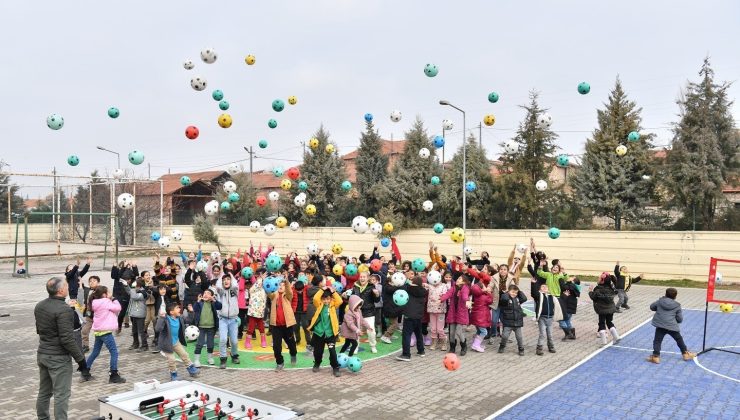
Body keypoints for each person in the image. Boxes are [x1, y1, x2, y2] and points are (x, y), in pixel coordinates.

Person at [35, 277, 90, 420]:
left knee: (44, 392)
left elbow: (39, 330)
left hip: (43, 354)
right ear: (60, 291)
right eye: (66, 286)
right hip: (58, 359)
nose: (67, 288)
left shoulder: (40, 305)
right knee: (61, 394)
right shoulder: (64, 309)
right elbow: (67, 339)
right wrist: (81, 361)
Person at [85, 286, 126, 383]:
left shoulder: (95, 302)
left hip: (98, 331)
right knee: (114, 352)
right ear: (104, 294)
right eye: (108, 292)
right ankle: (114, 375)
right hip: (106, 332)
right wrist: (113, 298)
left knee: (95, 352)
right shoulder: (106, 301)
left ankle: (85, 371)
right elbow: (118, 308)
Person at [647, 288, 696, 363]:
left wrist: (659, 305)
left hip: (660, 325)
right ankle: (685, 354)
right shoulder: (677, 305)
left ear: (665, 294)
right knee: (679, 339)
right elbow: (680, 319)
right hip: (672, 326)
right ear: (675, 296)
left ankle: (656, 357)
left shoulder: (660, 301)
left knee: (657, 341)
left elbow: (652, 307)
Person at [155, 302, 199, 381]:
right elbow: (158, 329)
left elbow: (189, 320)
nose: (180, 309)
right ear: (171, 312)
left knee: (184, 355)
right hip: (167, 344)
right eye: (177, 308)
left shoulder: (180, 318)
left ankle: (191, 369)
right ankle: (174, 375)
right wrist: (161, 318)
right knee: (172, 359)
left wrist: (191, 312)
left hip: (176, 342)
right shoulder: (166, 319)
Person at [308, 287, 342, 377]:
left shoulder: (333, 305)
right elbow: (315, 298)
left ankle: (335, 367)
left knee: (332, 352)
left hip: (330, 333)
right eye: (324, 299)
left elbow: (340, 301)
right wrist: (322, 290)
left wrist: (333, 291)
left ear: (331, 299)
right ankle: (317, 363)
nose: (326, 301)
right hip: (319, 333)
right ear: (321, 300)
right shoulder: (319, 304)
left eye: (328, 299)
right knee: (318, 352)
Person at [396, 276, 429, 361]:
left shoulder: (409, 289)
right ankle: (421, 351)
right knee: (418, 334)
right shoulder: (423, 291)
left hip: (409, 315)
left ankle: (406, 354)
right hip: (418, 316)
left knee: (406, 335)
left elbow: (402, 286)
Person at [269, 278, 298, 371]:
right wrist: (266, 282)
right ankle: (280, 362)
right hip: (276, 326)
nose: (280, 287)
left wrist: (286, 282)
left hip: (287, 325)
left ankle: (293, 354)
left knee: (292, 345)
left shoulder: (287, 295)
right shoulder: (274, 295)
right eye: (279, 285)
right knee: (276, 347)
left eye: (282, 285)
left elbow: (290, 291)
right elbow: (268, 292)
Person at [189, 288, 222, 367]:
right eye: (204, 293)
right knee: (199, 344)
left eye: (208, 293)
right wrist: (198, 301)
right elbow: (195, 308)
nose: (206, 294)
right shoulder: (200, 303)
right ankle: (196, 360)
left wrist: (214, 300)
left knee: (210, 344)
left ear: (212, 296)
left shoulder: (213, 303)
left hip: (211, 327)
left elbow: (220, 306)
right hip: (201, 327)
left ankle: (210, 358)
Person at [440, 274, 471, 355]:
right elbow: (448, 294)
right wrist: (441, 299)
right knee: (452, 333)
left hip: (461, 313)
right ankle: (452, 347)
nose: (457, 279)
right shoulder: (453, 287)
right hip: (453, 313)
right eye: (458, 278)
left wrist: (467, 300)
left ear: (464, 281)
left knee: (459, 331)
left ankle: (464, 346)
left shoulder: (465, 288)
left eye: (460, 278)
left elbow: (465, 296)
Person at [531, 280, 563, 356]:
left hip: (550, 318)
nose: (545, 287)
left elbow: (559, 302)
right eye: (543, 286)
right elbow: (533, 293)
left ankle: (551, 346)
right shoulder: (539, 296)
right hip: (542, 318)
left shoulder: (552, 297)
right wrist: (533, 284)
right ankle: (539, 349)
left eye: (546, 287)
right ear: (540, 289)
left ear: (548, 289)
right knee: (542, 334)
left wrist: (564, 295)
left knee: (550, 334)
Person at [351, 271, 380, 353]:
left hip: (369, 313)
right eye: (361, 277)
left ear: (368, 278)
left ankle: (373, 346)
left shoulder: (372, 287)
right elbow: (352, 298)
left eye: (364, 277)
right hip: (357, 313)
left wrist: (377, 294)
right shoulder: (355, 286)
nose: (362, 278)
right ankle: (355, 347)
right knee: (356, 331)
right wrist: (347, 296)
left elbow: (377, 301)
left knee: (371, 331)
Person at [216, 274, 241, 368]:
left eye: (228, 279)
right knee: (223, 339)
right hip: (223, 319)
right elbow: (218, 285)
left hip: (233, 319)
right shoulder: (220, 292)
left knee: (234, 341)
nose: (226, 281)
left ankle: (234, 355)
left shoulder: (235, 290)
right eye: (224, 280)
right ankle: (223, 359)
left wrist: (231, 275)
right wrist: (221, 275)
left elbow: (235, 285)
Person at [589, 273, 621, 346]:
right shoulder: (611, 288)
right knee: (609, 322)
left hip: (602, 310)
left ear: (602, 281)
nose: (598, 279)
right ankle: (616, 337)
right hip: (611, 309)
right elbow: (616, 291)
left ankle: (603, 341)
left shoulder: (598, 289)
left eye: (599, 278)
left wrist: (590, 291)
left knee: (601, 323)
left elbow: (593, 297)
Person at [423, 271, 451, 351]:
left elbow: (447, 293)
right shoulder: (430, 286)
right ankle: (434, 342)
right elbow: (423, 285)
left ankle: (444, 342)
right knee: (433, 328)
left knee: (440, 329)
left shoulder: (444, 286)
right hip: (431, 310)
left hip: (441, 311)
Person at [498, 284, 528, 356]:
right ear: (508, 291)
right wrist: (506, 293)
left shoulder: (518, 299)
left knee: (519, 337)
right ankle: (502, 346)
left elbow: (524, 298)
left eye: (516, 293)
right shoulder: (506, 299)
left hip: (517, 322)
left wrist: (519, 291)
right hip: (508, 322)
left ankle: (521, 349)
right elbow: (504, 298)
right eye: (512, 292)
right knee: (505, 336)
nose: (514, 294)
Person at [245, 269, 268, 350]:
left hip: (260, 311)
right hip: (253, 311)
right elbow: (253, 289)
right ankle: (247, 342)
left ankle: (263, 340)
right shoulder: (255, 286)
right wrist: (261, 279)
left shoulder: (265, 286)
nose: (264, 277)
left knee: (261, 327)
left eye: (265, 275)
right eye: (262, 275)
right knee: (251, 327)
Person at [126, 278, 149, 351]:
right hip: (133, 314)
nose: (134, 287)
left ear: (139, 286)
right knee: (134, 331)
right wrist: (126, 285)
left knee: (141, 331)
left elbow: (134, 296)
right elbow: (129, 292)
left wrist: (132, 288)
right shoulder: (135, 291)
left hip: (140, 315)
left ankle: (145, 345)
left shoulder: (143, 293)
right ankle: (135, 344)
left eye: (135, 285)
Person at [80, 275, 100, 352]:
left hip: (98, 315)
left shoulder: (101, 290)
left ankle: (100, 344)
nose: (92, 282)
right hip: (89, 315)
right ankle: (85, 346)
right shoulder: (87, 290)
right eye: (90, 281)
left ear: (98, 282)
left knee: (99, 331)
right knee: (84, 331)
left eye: (94, 281)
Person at [558, 276, 581, 340]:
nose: (569, 277)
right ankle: (572, 334)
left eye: (572, 277)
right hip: (570, 306)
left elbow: (563, 287)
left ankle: (568, 334)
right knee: (567, 320)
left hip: (567, 306)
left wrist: (560, 279)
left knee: (561, 320)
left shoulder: (571, 286)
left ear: (573, 281)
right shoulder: (572, 286)